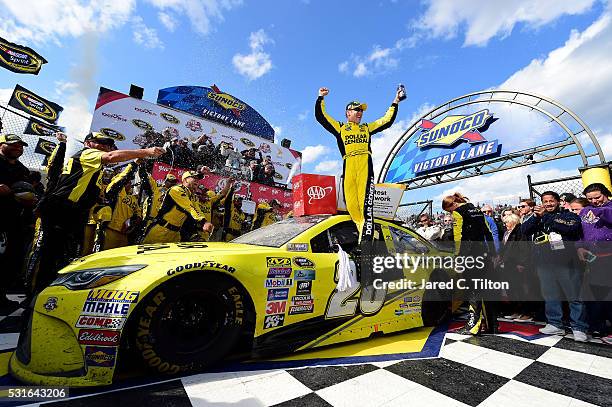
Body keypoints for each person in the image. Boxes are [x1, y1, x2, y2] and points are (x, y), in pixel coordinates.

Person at [31, 132, 164, 293]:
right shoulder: (87, 154)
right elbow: (110, 157)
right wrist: (145, 152)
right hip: (61, 210)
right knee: (49, 257)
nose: (105, 146)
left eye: (108, 144)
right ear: (88, 143)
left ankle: (52, 294)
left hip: (75, 213)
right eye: (100, 142)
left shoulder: (95, 168)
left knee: (66, 258)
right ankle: (35, 298)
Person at [315, 86, 402, 245]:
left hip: (364, 168)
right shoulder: (340, 127)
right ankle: (363, 238)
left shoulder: (366, 128)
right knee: (353, 208)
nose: (360, 112)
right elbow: (322, 117)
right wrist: (321, 98)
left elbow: (386, 120)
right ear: (348, 113)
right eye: (356, 110)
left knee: (365, 209)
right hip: (348, 167)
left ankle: (367, 244)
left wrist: (395, 101)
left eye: (361, 110)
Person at [521, 191, 587, 341]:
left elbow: (571, 228)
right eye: (545, 201)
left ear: (558, 202)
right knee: (550, 295)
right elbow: (524, 230)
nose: (548, 204)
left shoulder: (568, 215)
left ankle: (579, 327)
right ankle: (555, 324)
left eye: (551, 201)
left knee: (574, 295)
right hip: (544, 263)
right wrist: (536, 217)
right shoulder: (538, 217)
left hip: (566, 262)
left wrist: (545, 216)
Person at [442, 192, 497, 335]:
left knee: (472, 290)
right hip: (484, 254)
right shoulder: (476, 210)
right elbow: (488, 232)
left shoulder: (458, 213)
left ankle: (474, 325)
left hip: (469, 256)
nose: (451, 213)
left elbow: (459, 238)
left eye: (449, 210)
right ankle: (492, 324)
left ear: (452, 205)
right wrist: (492, 253)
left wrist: (458, 258)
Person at [576, 183, 612, 344]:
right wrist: (579, 248)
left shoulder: (606, 208)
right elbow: (581, 232)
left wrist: (597, 210)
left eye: (597, 197)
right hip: (594, 259)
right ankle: (600, 328)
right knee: (597, 294)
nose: (594, 201)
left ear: (606, 194)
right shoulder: (584, 211)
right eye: (590, 199)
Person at [0, 134, 30, 308]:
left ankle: (1, 296)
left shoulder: (21, 169)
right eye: (13, 145)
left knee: (10, 258)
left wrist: (29, 199)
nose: (18, 148)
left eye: (21, 146)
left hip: (12, 219)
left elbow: (27, 192)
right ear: (2, 143)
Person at [142, 171, 207, 244]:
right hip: (160, 230)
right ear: (185, 180)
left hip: (176, 234)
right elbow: (190, 208)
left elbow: (196, 210)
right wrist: (203, 222)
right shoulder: (175, 189)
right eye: (194, 178)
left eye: (198, 179)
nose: (197, 180)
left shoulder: (193, 196)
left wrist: (203, 223)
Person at [497, 213, 531, 322]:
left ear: (513, 222)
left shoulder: (519, 232)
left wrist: (521, 263)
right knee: (511, 289)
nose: (505, 224)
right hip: (508, 264)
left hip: (517, 264)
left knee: (520, 289)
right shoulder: (507, 233)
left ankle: (526, 313)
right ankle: (516, 312)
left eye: (507, 222)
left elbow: (524, 249)